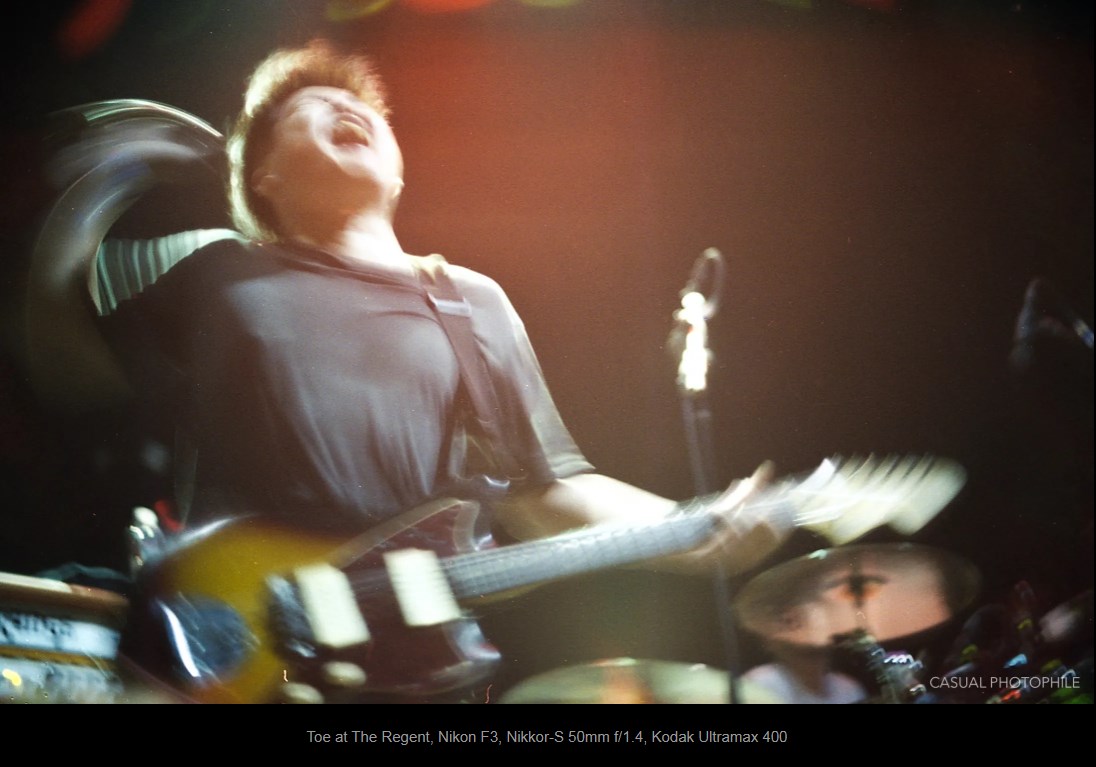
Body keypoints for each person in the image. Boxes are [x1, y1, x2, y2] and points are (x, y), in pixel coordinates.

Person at [24, 39, 794, 702]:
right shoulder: (216, 267)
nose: (346, 109)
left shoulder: (471, 301)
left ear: (396, 169)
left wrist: (693, 525)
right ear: (263, 177)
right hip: (236, 633)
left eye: (361, 107)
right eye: (311, 108)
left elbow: (546, 488)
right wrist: (103, 185)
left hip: (406, 658)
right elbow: (61, 356)